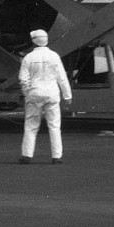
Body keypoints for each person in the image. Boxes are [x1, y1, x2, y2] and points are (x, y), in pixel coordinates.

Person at [18, 29, 72, 163]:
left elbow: (23, 79)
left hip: (35, 93)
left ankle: (27, 155)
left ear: (34, 42)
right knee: (54, 126)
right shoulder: (54, 56)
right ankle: (56, 157)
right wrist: (67, 95)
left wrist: (27, 94)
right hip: (52, 93)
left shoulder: (28, 58)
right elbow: (62, 78)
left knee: (31, 126)